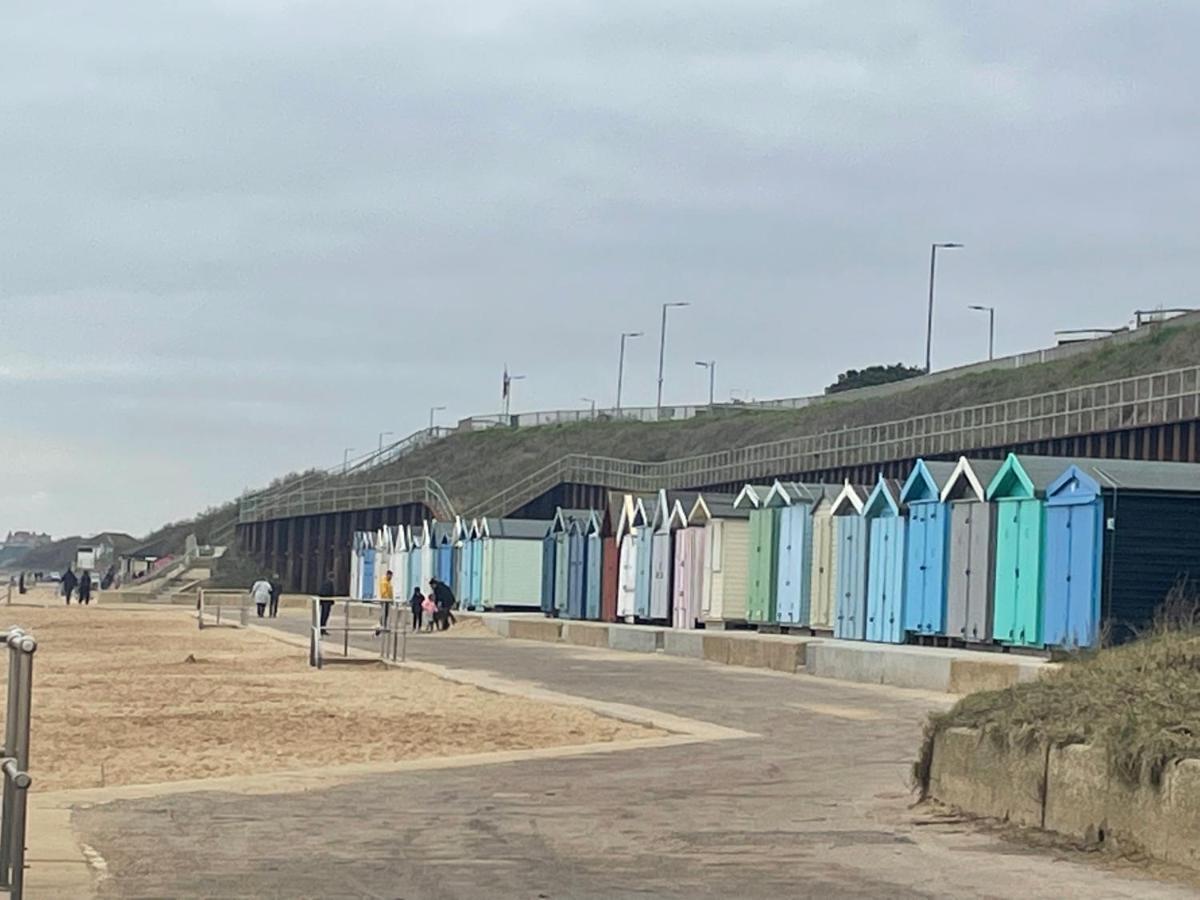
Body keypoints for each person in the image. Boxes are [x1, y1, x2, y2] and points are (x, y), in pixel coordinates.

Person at [375, 570, 394, 636]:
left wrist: (392, 599)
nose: (391, 577)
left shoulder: (388, 582)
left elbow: (390, 592)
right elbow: (384, 592)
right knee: (384, 614)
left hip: (388, 601)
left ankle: (383, 626)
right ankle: (381, 626)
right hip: (385, 600)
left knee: (386, 614)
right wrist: (388, 599)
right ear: (387, 575)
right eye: (390, 576)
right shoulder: (384, 582)